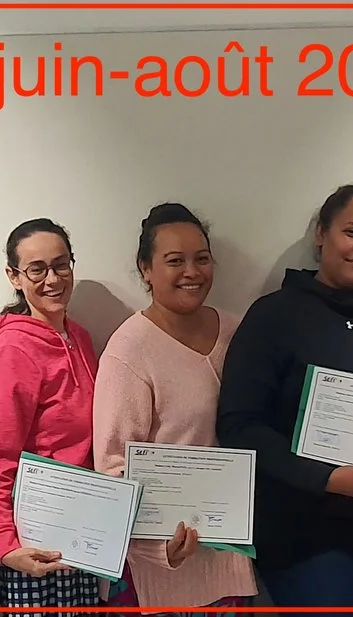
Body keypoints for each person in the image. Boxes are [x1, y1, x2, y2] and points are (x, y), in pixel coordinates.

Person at [215, 184, 353, 615]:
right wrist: (325, 478)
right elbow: (239, 426)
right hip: (300, 534)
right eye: (352, 231)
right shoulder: (272, 317)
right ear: (321, 234)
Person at [93, 204, 257, 615]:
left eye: (202, 259)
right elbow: (113, 467)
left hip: (227, 560)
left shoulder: (238, 332)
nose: (192, 272)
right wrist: (155, 545)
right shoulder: (130, 350)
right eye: (174, 261)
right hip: (161, 570)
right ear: (146, 269)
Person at [0, 218, 107, 615]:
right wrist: (4, 541)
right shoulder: (12, 349)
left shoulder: (80, 337)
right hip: (33, 541)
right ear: (14, 277)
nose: (53, 279)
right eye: (37, 270)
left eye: (61, 265)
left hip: (81, 530)